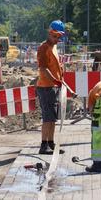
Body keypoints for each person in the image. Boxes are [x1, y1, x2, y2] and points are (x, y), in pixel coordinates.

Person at [36, 20, 65, 155]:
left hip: (53, 86)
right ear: (50, 33)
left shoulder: (53, 47)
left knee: (53, 117)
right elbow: (43, 69)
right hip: (46, 87)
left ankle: (51, 143)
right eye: (55, 36)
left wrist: (60, 77)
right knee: (48, 117)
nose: (57, 39)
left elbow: (56, 66)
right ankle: (44, 145)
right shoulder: (43, 48)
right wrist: (55, 80)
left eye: (59, 37)